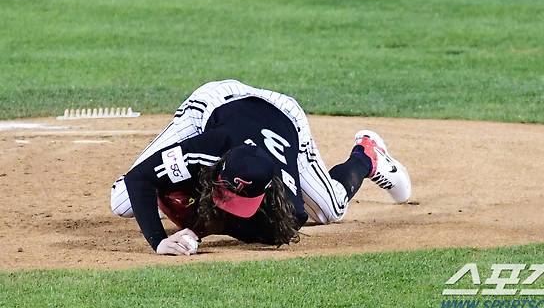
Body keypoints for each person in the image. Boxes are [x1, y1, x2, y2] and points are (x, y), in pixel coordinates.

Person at [110, 80, 411, 255]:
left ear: (270, 190)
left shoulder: (290, 206)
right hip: (215, 103)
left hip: (283, 115)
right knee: (122, 200)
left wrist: (199, 228)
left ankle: (367, 157)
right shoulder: (209, 148)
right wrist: (160, 241)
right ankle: (182, 184)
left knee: (330, 210)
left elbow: (270, 232)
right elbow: (140, 179)